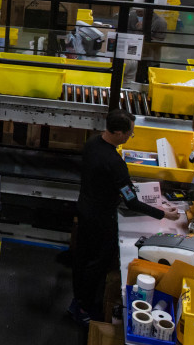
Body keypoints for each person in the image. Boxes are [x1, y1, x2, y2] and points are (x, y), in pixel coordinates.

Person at [69, 109, 179, 324]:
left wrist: (123, 185)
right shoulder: (115, 163)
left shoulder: (92, 143)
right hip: (102, 219)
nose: (130, 136)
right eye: (130, 133)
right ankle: (84, 308)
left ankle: (77, 302)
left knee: (81, 258)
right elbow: (131, 201)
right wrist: (163, 213)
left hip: (84, 209)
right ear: (118, 133)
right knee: (98, 263)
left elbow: (104, 179)